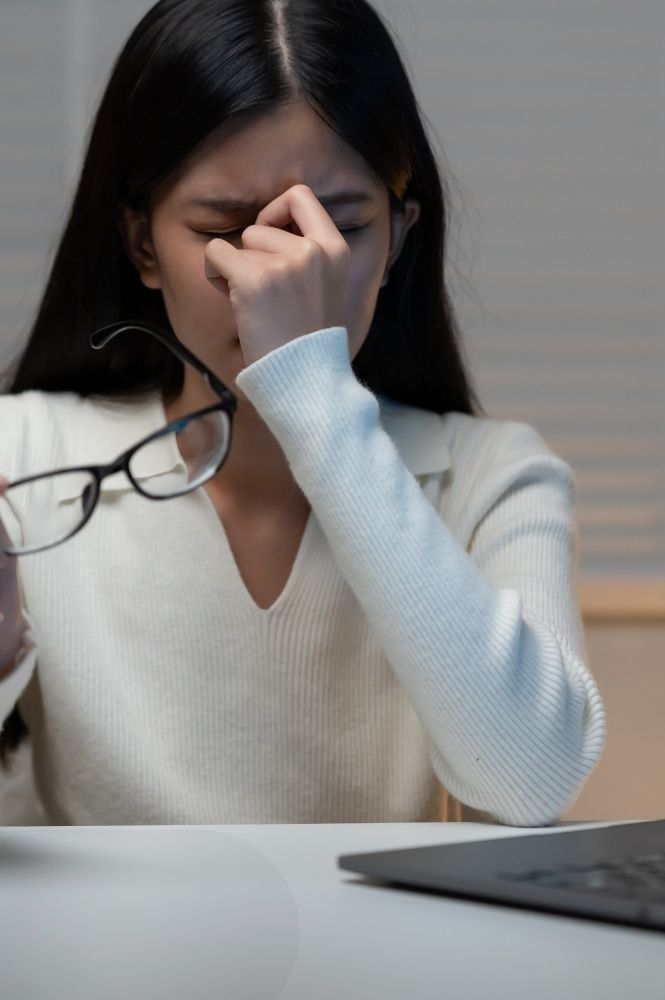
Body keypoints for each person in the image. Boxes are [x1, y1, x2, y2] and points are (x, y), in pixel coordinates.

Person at [0, 0, 605, 826]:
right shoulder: (25, 455)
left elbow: (532, 780)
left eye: (338, 229)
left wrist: (311, 392)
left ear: (397, 240)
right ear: (143, 245)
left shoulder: (493, 477)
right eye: (226, 228)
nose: (276, 277)